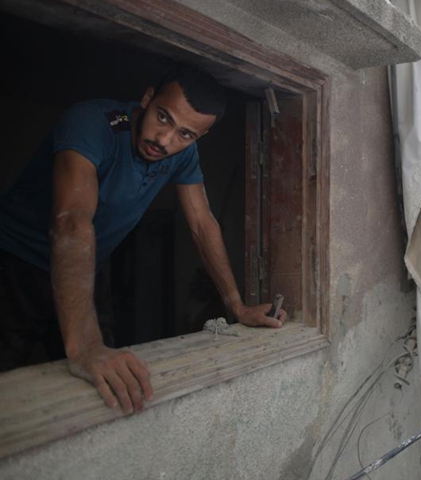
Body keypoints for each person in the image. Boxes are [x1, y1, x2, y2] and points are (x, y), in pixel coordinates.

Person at [0, 66, 287, 415]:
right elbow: (72, 223)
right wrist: (85, 345)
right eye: (162, 117)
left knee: (107, 384)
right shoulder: (93, 122)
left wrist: (236, 306)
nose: (165, 140)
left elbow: (202, 223)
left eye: (185, 134)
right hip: (13, 262)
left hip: (86, 267)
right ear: (147, 98)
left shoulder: (183, 152)